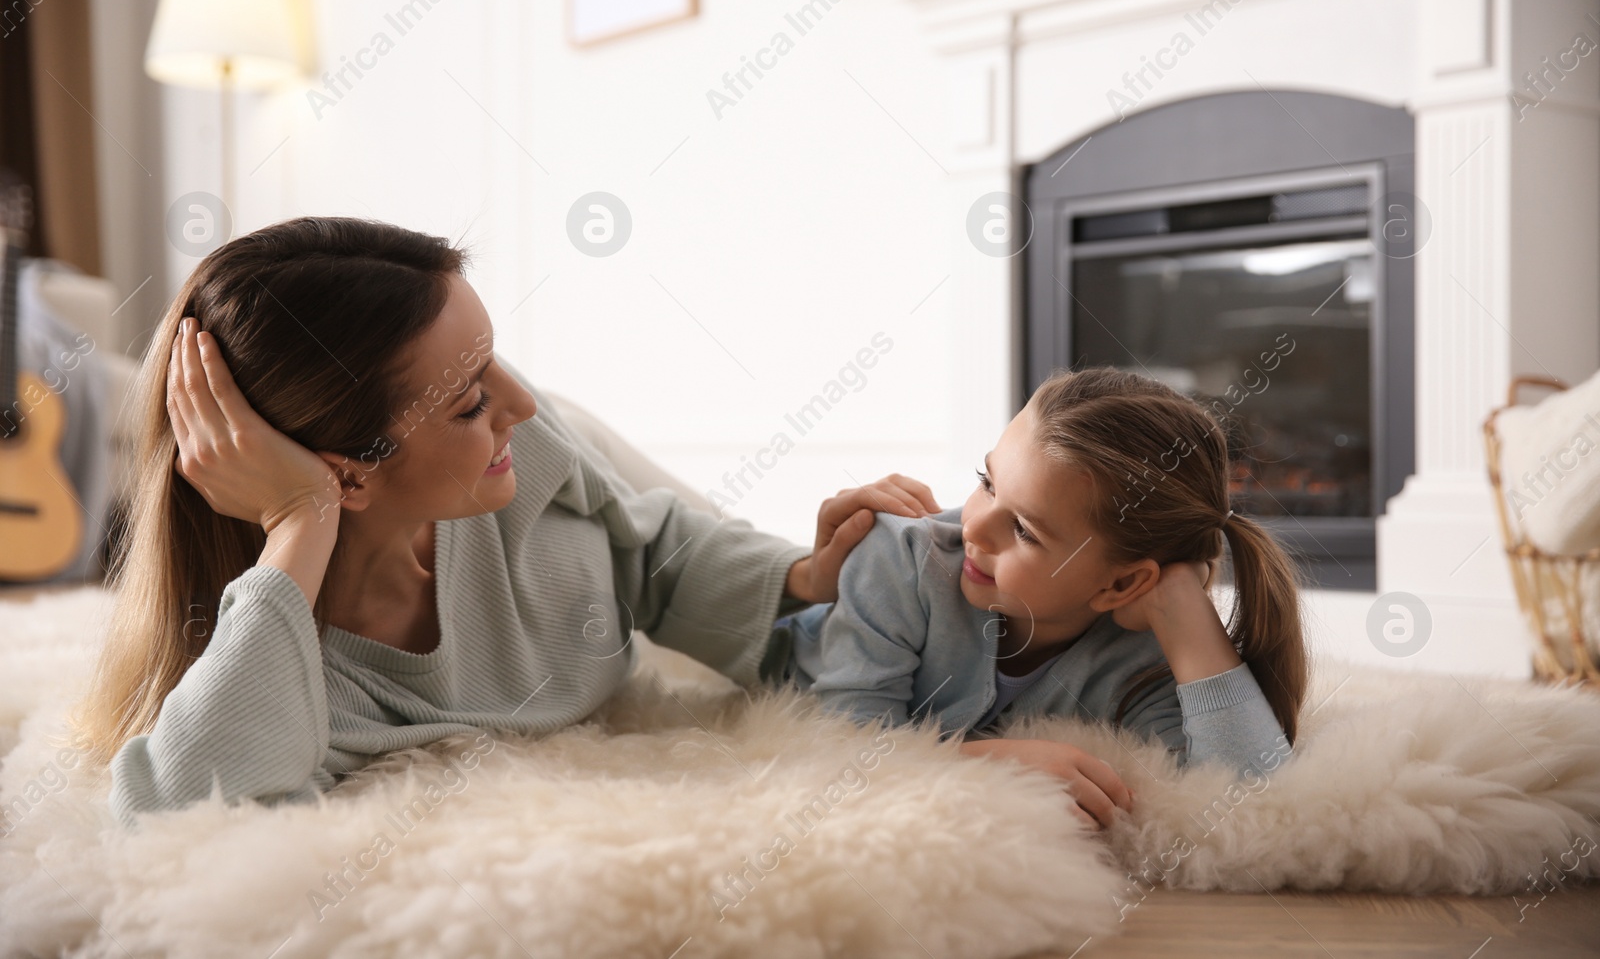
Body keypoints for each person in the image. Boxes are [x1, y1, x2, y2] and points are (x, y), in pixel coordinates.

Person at [68, 216, 940, 827]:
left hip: (585, 467)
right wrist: (300, 518)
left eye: (497, 362)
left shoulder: (521, 448)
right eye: (473, 396)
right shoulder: (301, 675)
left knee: (902, 590)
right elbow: (182, 823)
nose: (521, 403)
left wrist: (803, 575)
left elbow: (654, 550)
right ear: (346, 474)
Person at [761, 367, 1307, 829]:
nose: (974, 528)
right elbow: (843, 748)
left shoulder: (1138, 658)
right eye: (987, 481)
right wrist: (983, 759)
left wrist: (1184, 609)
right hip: (759, 648)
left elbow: (1253, 801)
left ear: (1120, 584)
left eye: (1023, 529)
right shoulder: (899, 558)